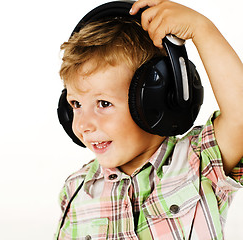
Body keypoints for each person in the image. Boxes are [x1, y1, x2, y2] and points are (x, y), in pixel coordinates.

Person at [55, 0, 243, 239]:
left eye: (104, 104)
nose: (83, 124)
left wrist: (201, 28)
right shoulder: (76, 190)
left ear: (154, 100)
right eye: (76, 104)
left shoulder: (198, 164)